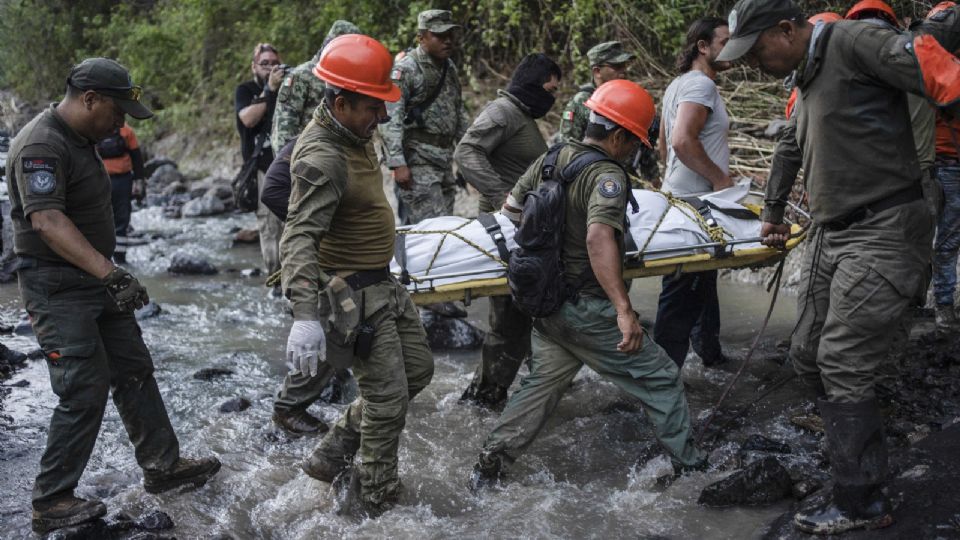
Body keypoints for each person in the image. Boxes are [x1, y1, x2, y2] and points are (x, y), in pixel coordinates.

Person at [718, 0, 960, 533]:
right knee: (806, 352)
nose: (756, 63)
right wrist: (775, 210)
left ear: (786, 29)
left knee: (843, 358)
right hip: (832, 230)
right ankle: (856, 438)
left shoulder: (854, 42)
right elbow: (788, 145)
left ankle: (860, 500)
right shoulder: (803, 77)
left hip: (885, 224)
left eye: (757, 50)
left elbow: (943, 74)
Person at [7, 58, 220, 535]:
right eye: (117, 110)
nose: (122, 121)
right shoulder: (41, 144)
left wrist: (108, 274)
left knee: (133, 369)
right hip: (58, 285)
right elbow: (47, 220)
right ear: (89, 99)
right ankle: (52, 498)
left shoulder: (80, 138)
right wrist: (111, 272)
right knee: (83, 386)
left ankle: (163, 467)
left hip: (96, 279)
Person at [469, 80, 707, 490]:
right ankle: (693, 471)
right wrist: (623, 310)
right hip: (586, 307)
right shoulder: (607, 176)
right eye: (633, 143)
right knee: (662, 377)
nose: (634, 152)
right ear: (617, 137)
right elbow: (599, 238)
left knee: (542, 385)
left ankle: (489, 465)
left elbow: (510, 208)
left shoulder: (552, 156)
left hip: (546, 303)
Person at [282, 35, 434, 517]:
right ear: (340, 103)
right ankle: (377, 501)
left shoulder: (355, 132)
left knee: (418, 372)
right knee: (387, 401)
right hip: (354, 297)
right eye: (375, 107)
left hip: (382, 283)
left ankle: (328, 458)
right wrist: (305, 317)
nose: (384, 117)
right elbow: (298, 237)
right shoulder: (323, 157)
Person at [453, 53, 561, 410]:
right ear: (532, 83)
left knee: (527, 314)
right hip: (506, 233)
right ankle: (483, 398)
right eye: (550, 89)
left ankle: (531, 387)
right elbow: (467, 152)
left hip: (524, 231)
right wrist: (503, 197)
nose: (553, 97)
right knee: (509, 322)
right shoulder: (504, 111)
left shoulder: (521, 116)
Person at [653, 16, 734, 369]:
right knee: (681, 289)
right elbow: (681, 140)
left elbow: (662, 147)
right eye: (724, 41)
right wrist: (719, 180)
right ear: (703, 47)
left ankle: (709, 354)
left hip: (681, 197)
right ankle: (660, 377)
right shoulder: (702, 86)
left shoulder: (677, 85)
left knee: (701, 277)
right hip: (695, 204)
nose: (733, 48)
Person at [380, 9, 470, 225]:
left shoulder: (449, 68)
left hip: (444, 160)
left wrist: (468, 153)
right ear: (421, 38)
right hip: (418, 161)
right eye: (439, 36)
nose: (447, 41)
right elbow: (390, 118)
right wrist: (397, 163)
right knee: (435, 230)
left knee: (443, 227)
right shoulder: (407, 70)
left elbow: (458, 111)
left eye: (450, 35)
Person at [558, 41, 660, 184]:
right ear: (597, 71)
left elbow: (644, 148)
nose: (624, 71)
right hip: (593, 177)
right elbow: (567, 148)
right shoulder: (581, 102)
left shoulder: (630, 99)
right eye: (617, 66)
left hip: (627, 177)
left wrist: (654, 181)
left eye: (625, 65)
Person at [235, 43, 285, 287]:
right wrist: (269, 89)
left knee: (292, 224)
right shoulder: (245, 90)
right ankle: (275, 280)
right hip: (261, 168)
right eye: (264, 63)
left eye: (274, 63)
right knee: (269, 227)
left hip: (288, 164)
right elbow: (247, 119)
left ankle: (295, 278)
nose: (270, 67)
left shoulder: (287, 87)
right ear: (254, 66)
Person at [270, 20, 360, 151]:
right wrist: (289, 166)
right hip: (303, 159)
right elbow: (283, 131)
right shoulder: (301, 76)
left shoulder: (344, 80)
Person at [95, 122, 146, 264]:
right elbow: (137, 158)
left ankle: (107, 260)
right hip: (120, 180)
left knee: (104, 218)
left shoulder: (95, 128)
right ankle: (119, 260)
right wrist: (139, 180)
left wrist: (138, 180)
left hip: (102, 180)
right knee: (121, 219)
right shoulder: (127, 130)